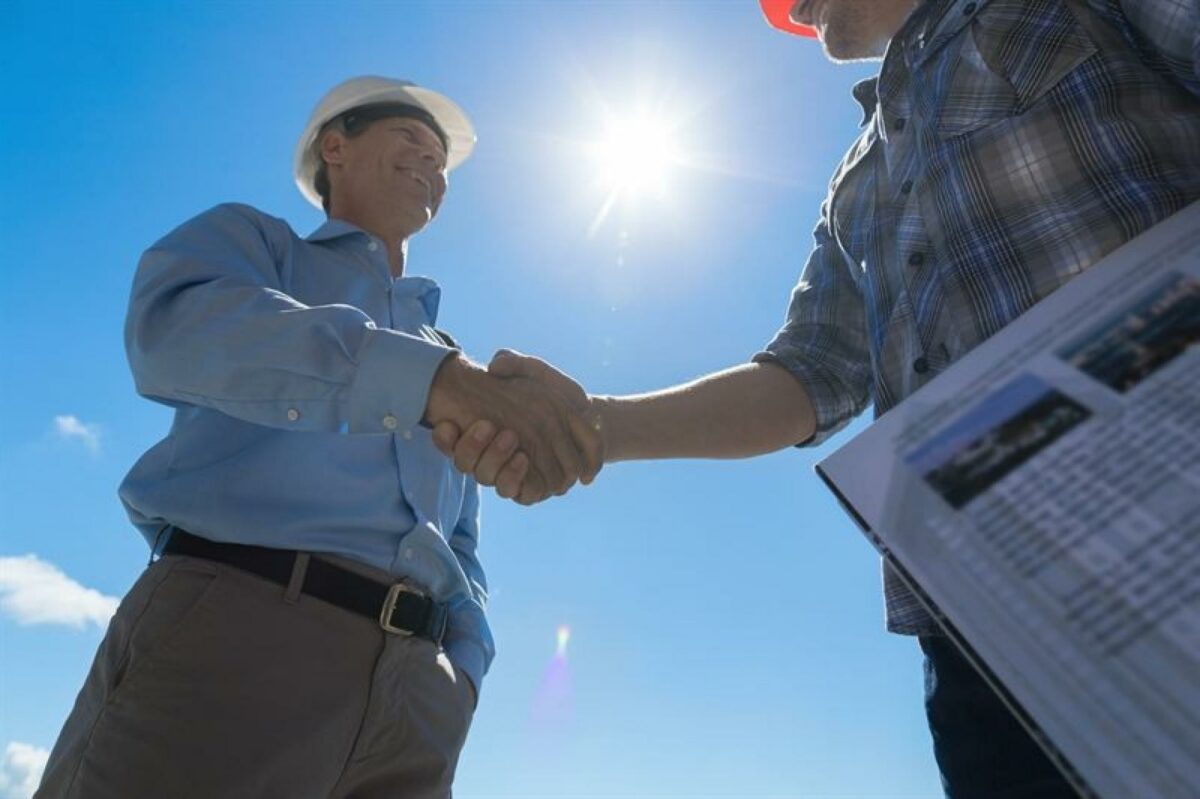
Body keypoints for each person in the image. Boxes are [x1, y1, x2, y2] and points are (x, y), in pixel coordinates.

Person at [435, 1, 1200, 795]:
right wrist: (593, 424)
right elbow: (807, 374)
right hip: (981, 628)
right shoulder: (853, 185)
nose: (791, 8)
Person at [36, 75, 600, 799]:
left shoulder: (446, 348)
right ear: (335, 145)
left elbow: (459, 539)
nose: (431, 163)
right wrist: (428, 381)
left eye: (441, 160)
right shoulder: (259, 247)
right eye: (412, 140)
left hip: (416, 703)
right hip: (236, 639)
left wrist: (462, 665)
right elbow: (172, 331)